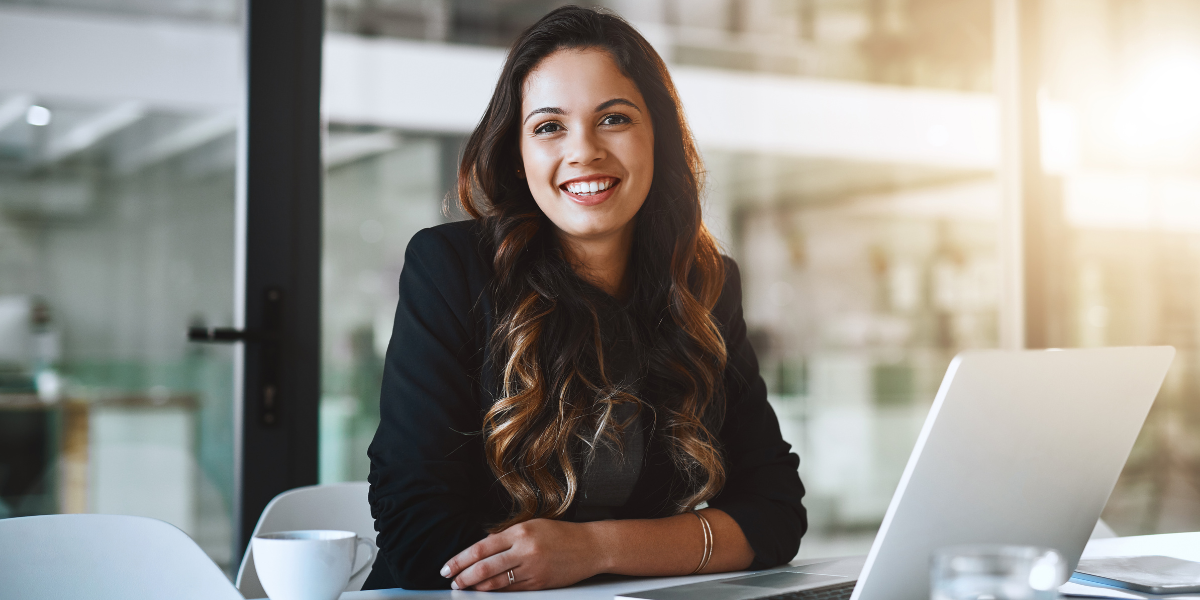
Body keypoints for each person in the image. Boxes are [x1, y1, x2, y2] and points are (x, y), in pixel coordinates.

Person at [364, 5, 806, 592]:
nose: (585, 151)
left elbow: (774, 513)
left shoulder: (705, 283)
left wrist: (595, 548)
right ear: (519, 158)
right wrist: (666, 547)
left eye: (614, 119)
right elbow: (420, 536)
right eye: (549, 127)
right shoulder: (449, 268)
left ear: (659, 139)